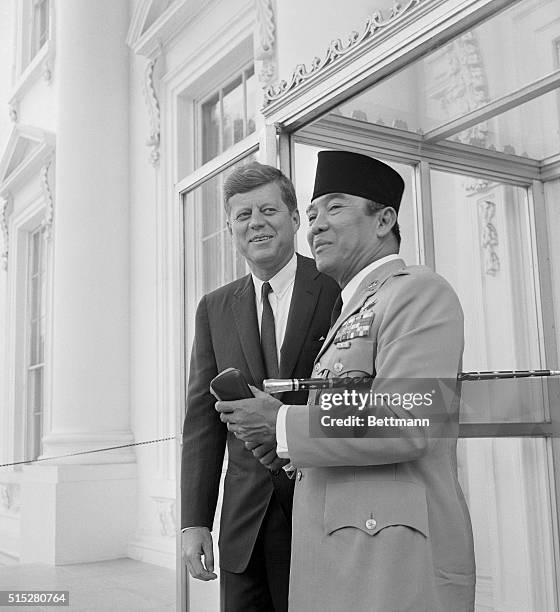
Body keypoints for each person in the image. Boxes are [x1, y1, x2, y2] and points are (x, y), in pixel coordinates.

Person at [216, 151, 476, 611]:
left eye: (335, 208)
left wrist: (282, 426)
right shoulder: (351, 310)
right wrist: (285, 448)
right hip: (336, 553)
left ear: (384, 221)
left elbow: (407, 418)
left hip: (388, 564)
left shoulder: (416, 290)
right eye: (313, 214)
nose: (316, 225)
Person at [180, 161, 339, 612]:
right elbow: (201, 422)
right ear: (230, 228)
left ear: (294, 218)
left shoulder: (335, 287)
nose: (256, 223)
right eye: (243, 215)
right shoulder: (213, 308)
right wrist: (195, 521)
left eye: (268, 209)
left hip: (321, 512)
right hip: (243, 525)